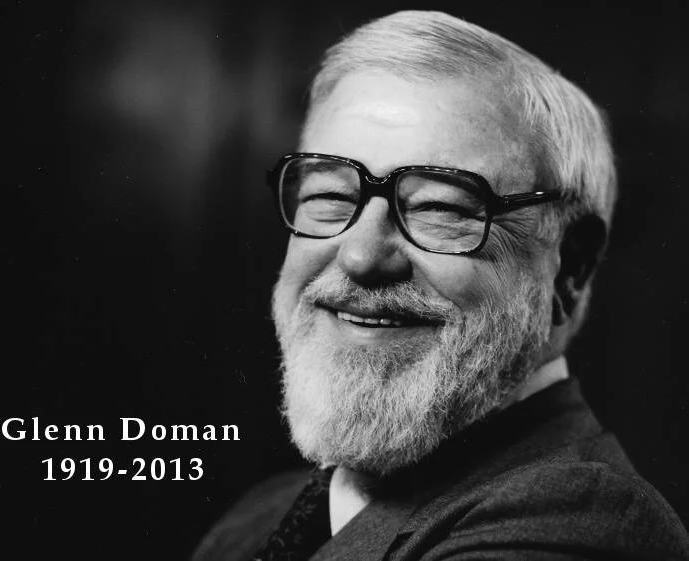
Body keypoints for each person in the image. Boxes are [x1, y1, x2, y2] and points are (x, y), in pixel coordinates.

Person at [193, 10, 689, 561]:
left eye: (438, 207)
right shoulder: (258, 517)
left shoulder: (583, 522)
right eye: (329, 197)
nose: (360, 256)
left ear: (570, 266)